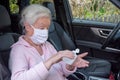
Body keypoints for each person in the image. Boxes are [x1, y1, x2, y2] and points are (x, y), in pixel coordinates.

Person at [9, 4, 89, 80]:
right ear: (28, 27)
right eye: (41, 28)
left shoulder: (47, 45)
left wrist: (70, 65)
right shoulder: (19, 50)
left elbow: (61, 71)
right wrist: (51, 61)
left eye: (47, 28)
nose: (45, 32)